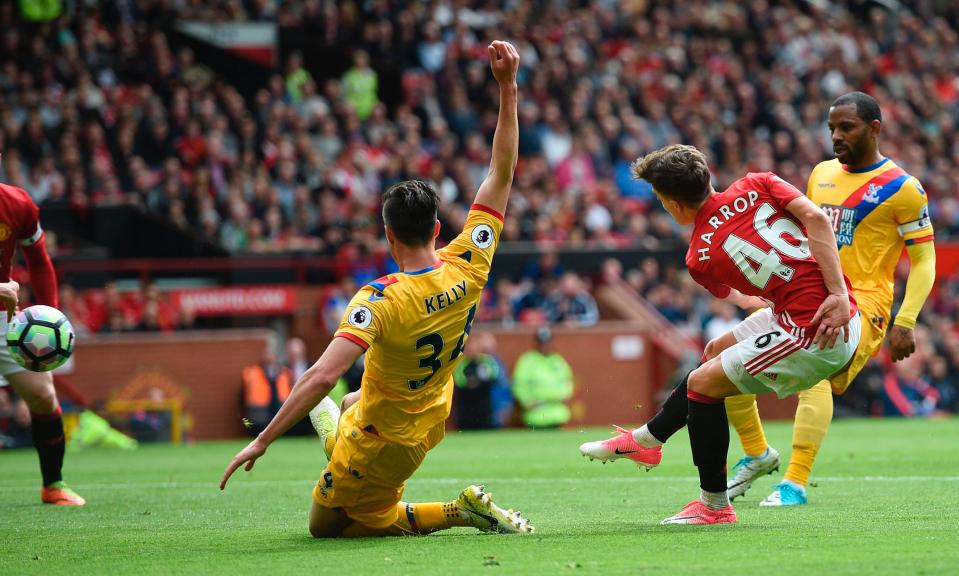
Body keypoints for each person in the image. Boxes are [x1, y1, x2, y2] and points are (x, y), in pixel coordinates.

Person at [221, 41, 532, 537]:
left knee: (328, 526)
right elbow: (501, 172)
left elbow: (322, 375)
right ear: (436, 229)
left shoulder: (379, 299)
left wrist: (263, 440)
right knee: (349, 404)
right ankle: (341, 431)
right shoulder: (470, 261)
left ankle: (461, 510)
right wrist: (508, 88)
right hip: (435, 408)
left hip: (387, 439)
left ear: (388, 235)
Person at [579, 144, 859, 525]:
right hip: (836, 308)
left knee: (703, 384)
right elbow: (817, 220)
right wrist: (839, 293)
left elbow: (744, 298)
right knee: (715, 351)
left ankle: (713, 505)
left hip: (815, 331)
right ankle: (648, 439)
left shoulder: (699, 257)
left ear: (674, 205)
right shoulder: (759, 181)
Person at [724, 92, 936, 506]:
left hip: (866, 304)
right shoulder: (820, 173)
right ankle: (755, 452)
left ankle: (795, 483)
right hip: (811, 293)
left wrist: (906, 320)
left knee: (815, 373)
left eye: (846, 127)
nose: (836, 136)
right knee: (723, 357)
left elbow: (924, 259)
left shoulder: (904, 189)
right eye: (831, 128)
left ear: (874, 128)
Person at [0, 171, 85, 505]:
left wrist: (50, 319)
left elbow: (39, 261)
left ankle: (53, 485)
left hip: (4, 317)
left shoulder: (17, 204)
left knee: (43, 395)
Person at [512, 326, 574, 428]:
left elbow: (567, 382)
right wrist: (526, 401)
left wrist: (563, 396)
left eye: (547, 341)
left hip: (557, 414)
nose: (545, 345)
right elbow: (519, 385)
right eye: (542, 342)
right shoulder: (528, 361)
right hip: (535, 414)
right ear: (536, 342)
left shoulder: (558, 361)